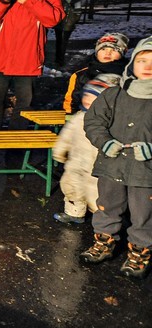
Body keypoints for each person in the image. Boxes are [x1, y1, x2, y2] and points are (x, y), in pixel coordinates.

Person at [82, 36, 152, 278]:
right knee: (107, 205)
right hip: (113, 163)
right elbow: (93, 121)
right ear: (132, 63)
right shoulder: (114, 94)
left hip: (146, 171)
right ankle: (104, 242)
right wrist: (105, 142)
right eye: (142, 60)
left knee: (144, 212)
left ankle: (140, 252)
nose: (148, 66)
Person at [0, 0, 64, 130]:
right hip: (1, 59)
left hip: (28, 62)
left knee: (24, 103)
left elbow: (53, 19)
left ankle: (16, 139)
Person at [52, 74, 121, 225]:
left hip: (95, 168)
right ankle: (74, 213)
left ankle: (102, 219)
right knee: (71, 187)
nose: (88, 100)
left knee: (95, 193)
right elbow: (67, 135)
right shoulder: (79, 117)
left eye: (94, 98)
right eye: (87, 96)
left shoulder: (110, 123)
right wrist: (59, 150)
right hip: (75, 163)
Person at [62, 32, 129, 114]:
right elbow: (71, 100)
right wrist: (71, 114)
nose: (108, 53)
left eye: (114, 50)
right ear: (97, 52)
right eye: (103, 49)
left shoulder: (128, 74)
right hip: (87, 117)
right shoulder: (81, 75)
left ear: (122, 54)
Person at [55, 0, 83, 66]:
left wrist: (73, 21)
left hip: (69, 25)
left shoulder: (77, 1)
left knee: (64, 43)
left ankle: (61, 60)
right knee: (58, 42)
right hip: (59, 23)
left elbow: (78, 13)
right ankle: (57, 59)